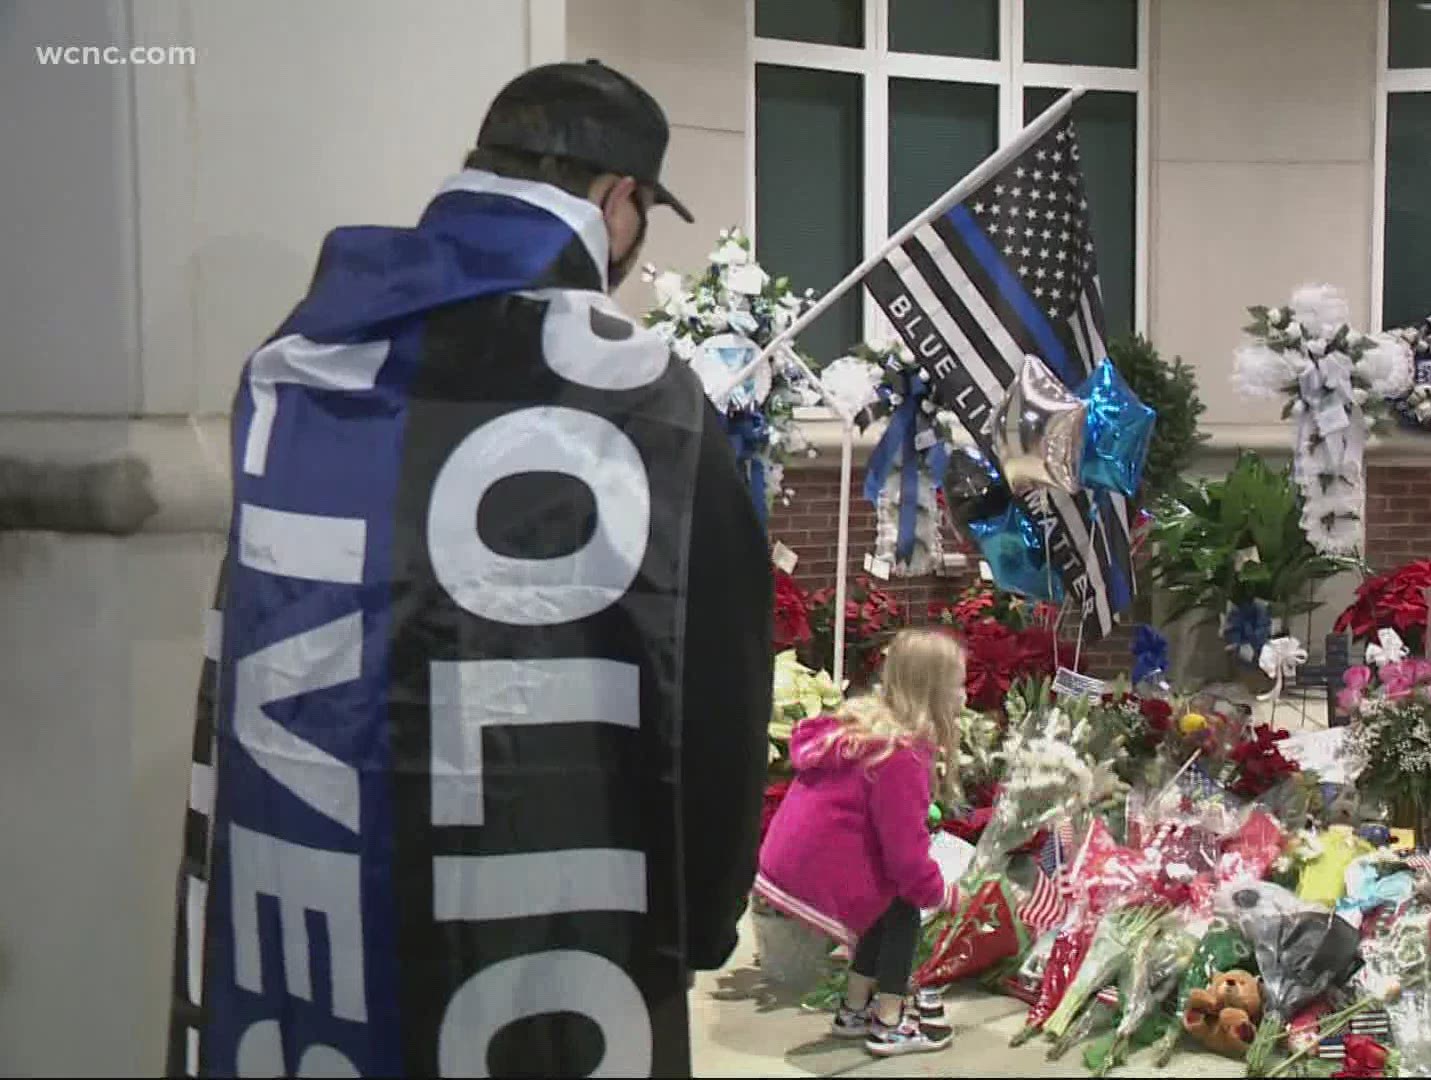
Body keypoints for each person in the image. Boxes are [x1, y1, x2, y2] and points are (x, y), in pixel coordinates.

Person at [164, 60, 769, 1078]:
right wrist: (703, 915)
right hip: (542, 962)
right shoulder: (643, 398)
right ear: (618, 199)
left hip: (321, 936)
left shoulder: (297, 363)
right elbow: (718, 681)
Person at [755, 628, 967, 1058]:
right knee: (906, 901)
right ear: (935, 692)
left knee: (885, 897)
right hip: (821, 874)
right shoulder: (901, 752)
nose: (963, 696)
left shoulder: (860, 729)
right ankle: (889, 1020)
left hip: (787, 861)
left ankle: (853, 1007)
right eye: (957, 685)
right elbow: (907, 858)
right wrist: (941, 893)